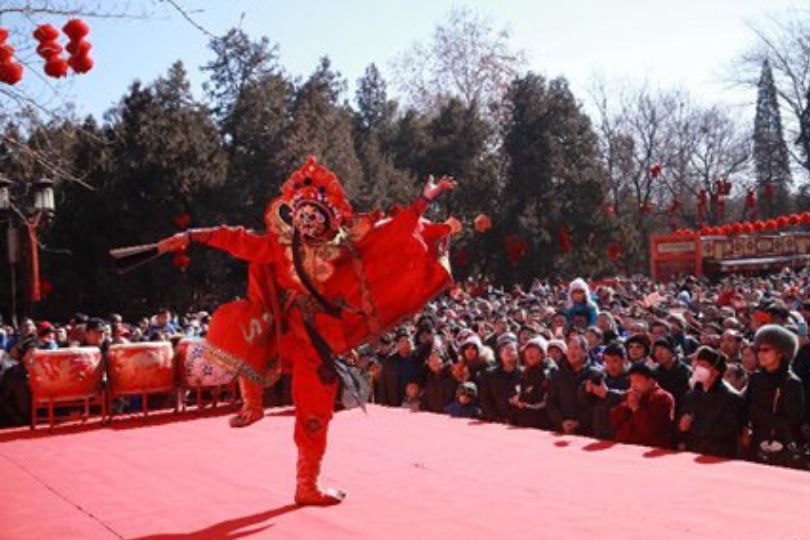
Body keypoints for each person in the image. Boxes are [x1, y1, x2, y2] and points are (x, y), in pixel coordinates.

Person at [157, 157, 458, 506]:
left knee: (315, 411)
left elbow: (393, 231)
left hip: (322, 341)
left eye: (315, 215)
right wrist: (192, 236)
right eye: (302, 215)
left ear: (330, 217)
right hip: (284, 330)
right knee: (237, 324)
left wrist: (425, 200)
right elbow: (236, 239)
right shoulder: (280, 246)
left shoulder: (348, 247)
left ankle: (306, 484)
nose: (308, 221)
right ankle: (251, 402)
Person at [743, 324, 805, 465]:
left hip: (781, 446)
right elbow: (745, 409)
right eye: (758, 350)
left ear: (781, 352)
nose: (760, 354)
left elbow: (792, 420)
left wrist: (757, 413)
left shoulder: (792, 383)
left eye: (765, 350)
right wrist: (745, 429)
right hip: (756, 443)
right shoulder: (755, 378)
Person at [678, 347, 743, 458]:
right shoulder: (692, 395)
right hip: (692, 452)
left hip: (718, 454)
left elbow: (727, 430)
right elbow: (682, 422)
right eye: (697, 365)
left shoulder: (731, 397)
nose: (698, 369)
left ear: (716, 371)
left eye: (703, 366)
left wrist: (692, 426)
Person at [610, 363, 675, 448]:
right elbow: (614, 421)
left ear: (651, 381)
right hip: (624, 446)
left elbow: (652, 429)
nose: (633, 385)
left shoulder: (662, 397)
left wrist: (635, 408)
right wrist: (625, 406)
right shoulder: (630, 394)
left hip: (648, 448)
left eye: (637, 380)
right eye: (631, 381)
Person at [580, 341, 630, 439]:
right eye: (607, 361)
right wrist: (586, 390)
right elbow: (583, 401)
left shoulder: (632, 377)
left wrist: (607, 394)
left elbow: (631, 396)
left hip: (623, 434)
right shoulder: (600, 376)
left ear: (624, 360)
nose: (611, 365)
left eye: (615, 361)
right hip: (599, 431)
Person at [511, 337, 556, 429]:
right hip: (523, 421)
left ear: (542, 354)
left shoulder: (549, 372)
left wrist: (521, 398)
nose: (530, 353)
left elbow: (541, 397)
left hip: (542, 422)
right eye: (527, 350)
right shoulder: (525, 372)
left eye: (534, 350)